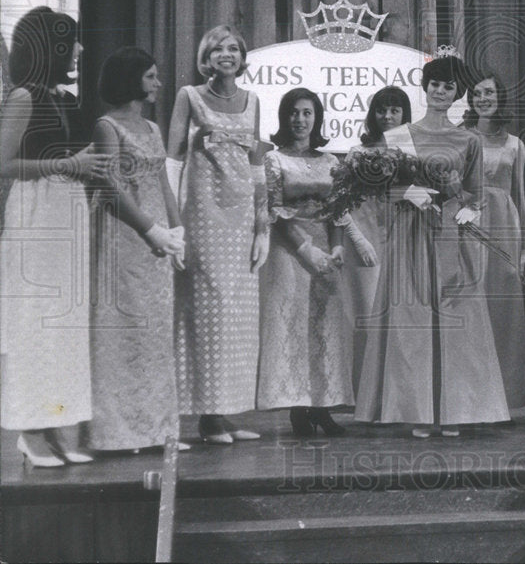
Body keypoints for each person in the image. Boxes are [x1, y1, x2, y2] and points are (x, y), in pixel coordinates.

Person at [354, 54, 509, 438]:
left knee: (457, 326)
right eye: (435, 85)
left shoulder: (468, 139)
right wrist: (409, 191)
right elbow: (382, 192)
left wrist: (459, 214)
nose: (441, 92)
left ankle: (454, 410)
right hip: (410, 236)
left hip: (450, 238)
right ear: (425, 88)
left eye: (449, 87)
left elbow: (478, 200)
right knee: (414, 323)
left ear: (459, 93)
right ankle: (419, 411)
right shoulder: (398, 136)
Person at [0, 7, 111, 467]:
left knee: (62, 328)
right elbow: (3, 165)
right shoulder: (24, 97)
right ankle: (30, 431)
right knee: (36, 326)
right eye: (73, 42)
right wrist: (68, 165)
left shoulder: (59, 97)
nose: (81, 50)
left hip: (63, 212)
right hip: (35, 218)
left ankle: (54, 427)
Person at [166, 25, 268, 444]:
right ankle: (206, 416)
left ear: (242, 57)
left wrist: (263, 224)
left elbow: (259, 166)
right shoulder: (189, 97)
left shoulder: (254, 100)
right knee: (208, 310)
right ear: (206, 57)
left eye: (233, 48)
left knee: (239, 316)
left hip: (242, 217)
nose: (226, 54)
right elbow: (171, 161)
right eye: (218, 48)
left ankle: (224, 413)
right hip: (203, 217)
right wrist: (173, 223)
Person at [257, 88, 375, 436]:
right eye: (294, 113)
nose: (300, 120)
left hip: (327, 248)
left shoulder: (330, 162)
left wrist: (337, 249)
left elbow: (338, 213)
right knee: (295, 325)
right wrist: (305, 249)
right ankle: (298, 407)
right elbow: (275, 212)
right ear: (284, 117)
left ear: (317, 118)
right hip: (291, 250)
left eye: (307, 113)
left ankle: (324, 407)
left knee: (326, 326)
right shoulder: (274, 160)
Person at [89, 47, 186, 452]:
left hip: (157, 238)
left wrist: (177, 228)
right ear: (131, 79)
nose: (158, 84)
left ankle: (159, 430)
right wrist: (150, 230)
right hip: (123, 234)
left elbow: (163, 183)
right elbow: (108, 188)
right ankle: (120, 433)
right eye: (151, 77)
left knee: (156, 333)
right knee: (125, 330)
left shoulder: (151, 127)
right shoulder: (107, 126)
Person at [463, 71, 525, 410]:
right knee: (473, 310)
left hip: (506, 229)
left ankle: (505, 399)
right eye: (477, 93)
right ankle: (472, 397)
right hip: (470, 226)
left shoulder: (515, 143)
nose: (482, 98)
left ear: (500, 97)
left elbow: (521, 197)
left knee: (504, 314)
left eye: (489, 92)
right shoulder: (462, 138)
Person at [343, 86, 409, 393]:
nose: (387, 116)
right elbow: (340, 204)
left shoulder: (411, 153)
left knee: (399, 321)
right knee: (366, 318)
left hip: (400, 241)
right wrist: (358, 240)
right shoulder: (358, 153)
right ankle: (363, 393)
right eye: (382, 110)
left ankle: (393, 394)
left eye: (395, 110)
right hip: (365, 243)